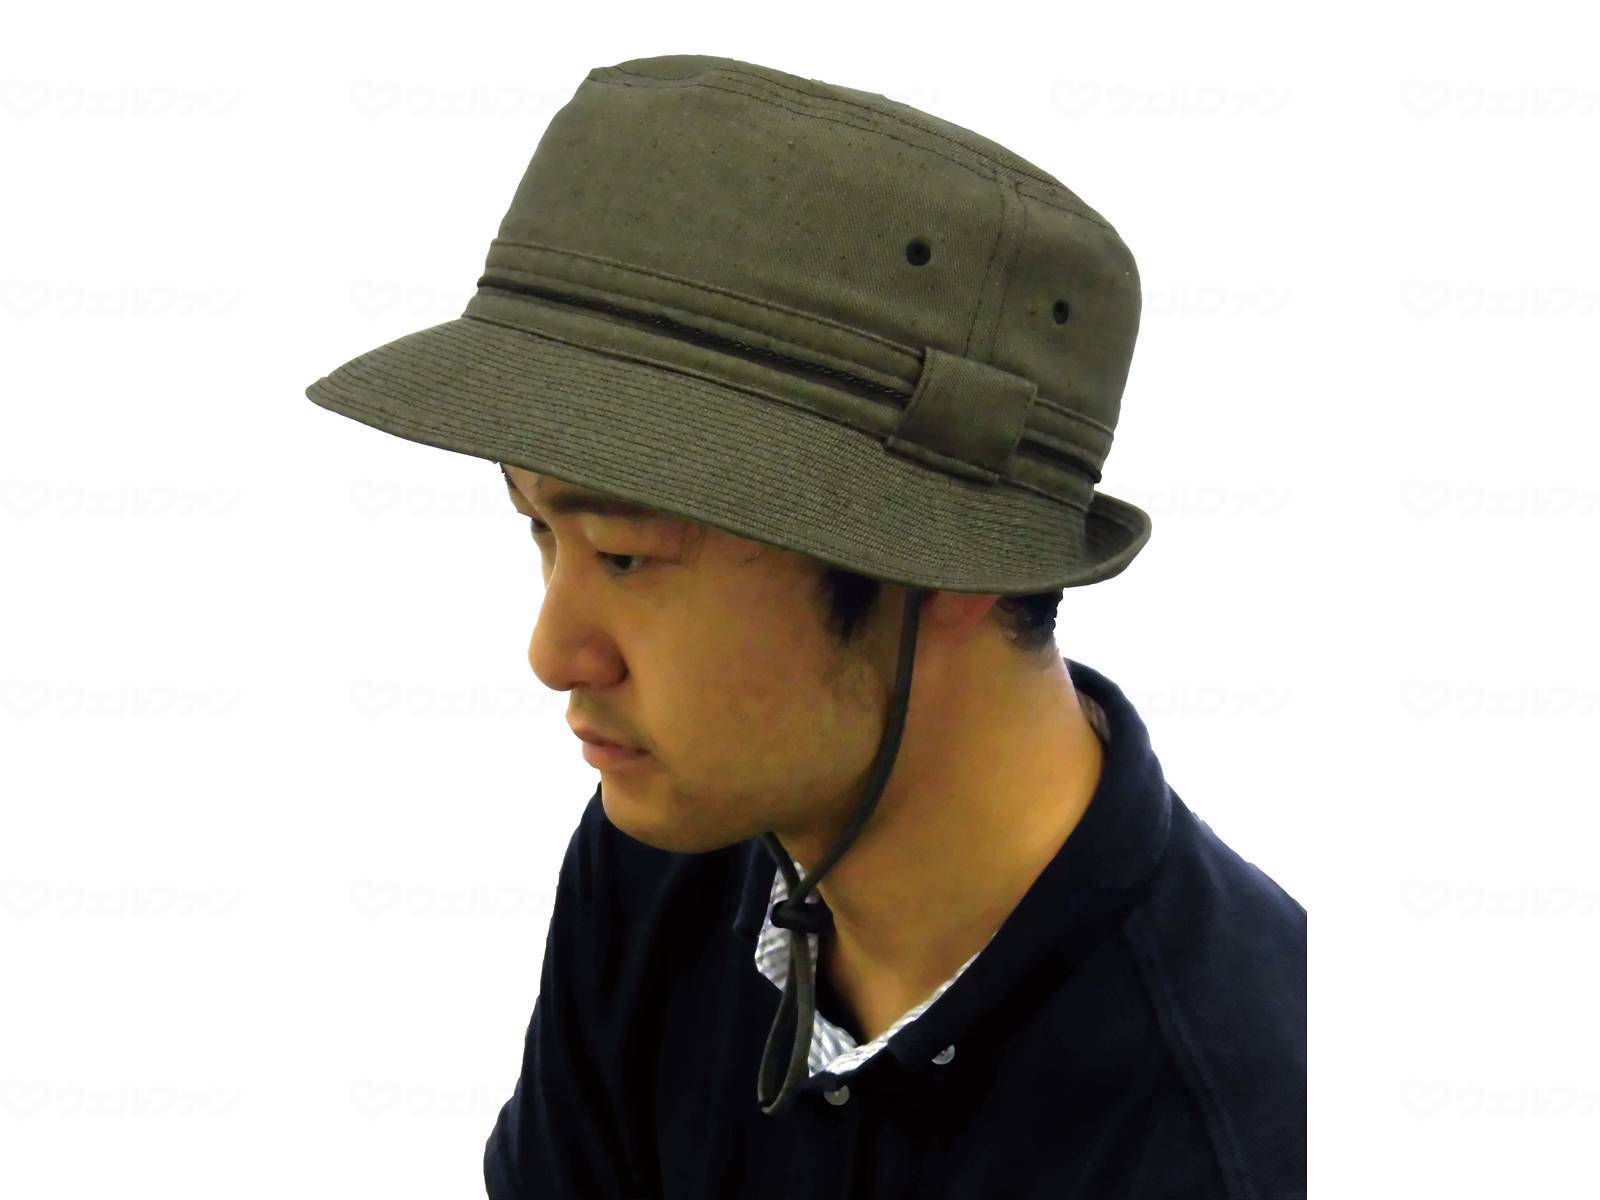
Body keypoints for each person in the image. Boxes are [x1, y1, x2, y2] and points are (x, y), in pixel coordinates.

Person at [306, 53, 1306, 1200]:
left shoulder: (1238, 1137)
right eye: (539, 529)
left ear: (944, 564)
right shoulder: (675, 861)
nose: (554, 654)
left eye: (625, 555)